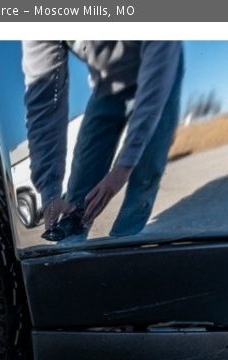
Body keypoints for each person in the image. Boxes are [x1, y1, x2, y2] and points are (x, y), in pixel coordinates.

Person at [23, 41, 184, 244]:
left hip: (160, 69)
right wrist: (50, 194)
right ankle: (71, 253)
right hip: (107, 85)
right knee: (81, 184)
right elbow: (44, 104)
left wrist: (124, 165)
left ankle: (129, 243)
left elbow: (160, 47)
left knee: (146, 169)